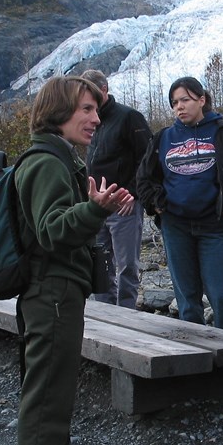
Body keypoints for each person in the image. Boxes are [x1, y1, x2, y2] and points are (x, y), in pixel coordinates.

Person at [15, 76, 133, 445]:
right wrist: (96, 209)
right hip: (52, 290)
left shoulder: (60, 157)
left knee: (58, 379)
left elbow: (63, 220)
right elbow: (52, 231)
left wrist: (95, 205)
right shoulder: (46, 162)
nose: (95, 118)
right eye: (86, 109)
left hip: (60, 289)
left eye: (96, 109)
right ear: (60, 111)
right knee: (46, 386)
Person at [136, 76, 223, 332]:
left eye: (185, 100)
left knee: (220, 295)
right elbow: (144, 179)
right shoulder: (163, 139)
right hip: (176, 226)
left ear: (201, 100)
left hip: (215, 227)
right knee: (187, 301)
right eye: (174, 102)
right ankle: (196, 364)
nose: (179, 106)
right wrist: (157, 205)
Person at [81, 69, 152, 309]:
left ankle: (127, 316)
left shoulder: (129, 117)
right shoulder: (90, 121)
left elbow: (148, 158)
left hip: (123, 205)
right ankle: (105, 315)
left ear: (104, 90)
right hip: (97, 205)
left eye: (90, 91)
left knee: (126, 266)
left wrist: (134, 193)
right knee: (100, 263)